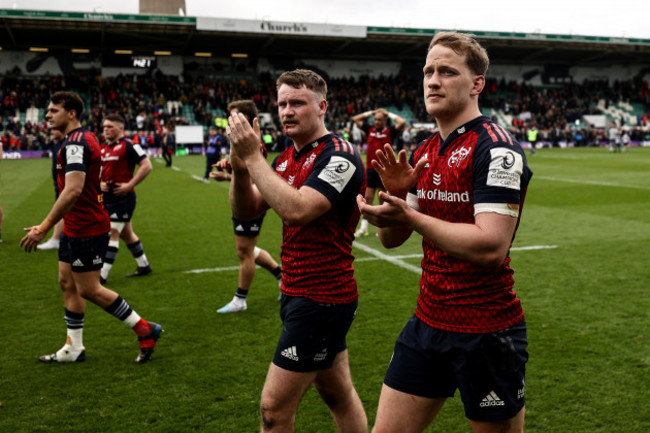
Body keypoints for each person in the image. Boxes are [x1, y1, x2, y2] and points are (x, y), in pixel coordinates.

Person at [357, 32, 532, 433]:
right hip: (427, 323)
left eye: (447, 71)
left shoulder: (497, 150)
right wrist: (396, 199)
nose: (433, 80)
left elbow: (490, 246)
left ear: (476, 84)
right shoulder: (423, 150)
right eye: (428, 71)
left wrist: (410, 216)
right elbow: (391, 240)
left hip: (486, 333)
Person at [227, 69, 367, 432]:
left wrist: (254, 158)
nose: (287, 111)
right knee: (337, 394)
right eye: (282, 104)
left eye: (297, 103)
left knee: (273, 410)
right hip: (298, 292)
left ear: (322, 106)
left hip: (321, 298)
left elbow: (297, 210)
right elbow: (246, 211)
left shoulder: (341, 156)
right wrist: (242, 169)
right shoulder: (287, 158)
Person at [20, 91, 162, 364]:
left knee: (89, 289)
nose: (47, 115)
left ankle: (145, 329)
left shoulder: (76, 144)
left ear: (71, 113)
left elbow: (73, 191)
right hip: (75, 226)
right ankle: (74, 348)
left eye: (53, 110)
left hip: (87, 227)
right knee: (67, 284)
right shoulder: (79, 140)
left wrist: (44, 226)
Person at [211, 100, 282, 313]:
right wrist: (226, 175)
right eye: (230, 116)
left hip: (251, 203)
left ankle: (240, 300)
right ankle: (281, 276)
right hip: (243, 200)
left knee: (245, 253)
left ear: (247, 120)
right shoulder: (241, 142)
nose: (230, 121)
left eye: (235, 116)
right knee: (248, 249)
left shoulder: (252, 143)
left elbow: (252, 177)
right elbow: (242, 174)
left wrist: (230, 172)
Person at [99, 114, 153, 285]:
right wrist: (100, 183)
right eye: (104, 127)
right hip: (106, 197)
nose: (105, 129)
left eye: (110, 127)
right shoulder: (103, 148)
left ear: (120, 128)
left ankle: (101, 275)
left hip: (123, 198)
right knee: (126, 234)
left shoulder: (130, 145)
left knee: (112, 233)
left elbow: (147, 165)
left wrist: (129, 185)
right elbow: (98, 172)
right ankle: (144, 266)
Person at [351, 107, 406, 238]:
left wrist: (389, 114)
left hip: (384, 171)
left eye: (380, 120)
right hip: (370, 170)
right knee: (368, 198)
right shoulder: (369, 129)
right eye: (375, 119)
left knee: (382, 200)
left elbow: (402, 122)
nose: (377, 122)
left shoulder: (390, 131)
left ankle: (381, 227)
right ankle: (363, 228)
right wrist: (371, 112)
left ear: (385, 121)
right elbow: (355, 119)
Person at [37, 129, 65, 250]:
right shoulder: (56, 143)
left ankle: (55, 239)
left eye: (54, 130)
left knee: (61, 210)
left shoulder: (69, 143)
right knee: (62, 210)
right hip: (58, 182)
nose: (52, 132)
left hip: (66, 183)